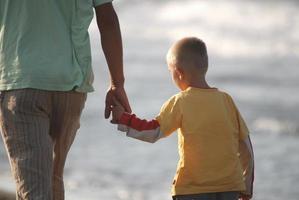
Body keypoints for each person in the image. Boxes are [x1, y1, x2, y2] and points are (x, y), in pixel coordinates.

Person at [0, 0, 131, 199]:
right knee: (53, 179)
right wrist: (117, 83)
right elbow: (108, 20)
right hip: (71, 85)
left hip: (21, 82)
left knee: (35, 189)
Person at [111, 37, 254, 200]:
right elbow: (246, 146)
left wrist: (123, 118)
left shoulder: (180, 102)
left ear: (178, 73)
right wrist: (246, 185)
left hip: (192, 188)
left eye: (169, 72)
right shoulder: (226, 100)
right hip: (230, 187)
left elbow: (153, 130)